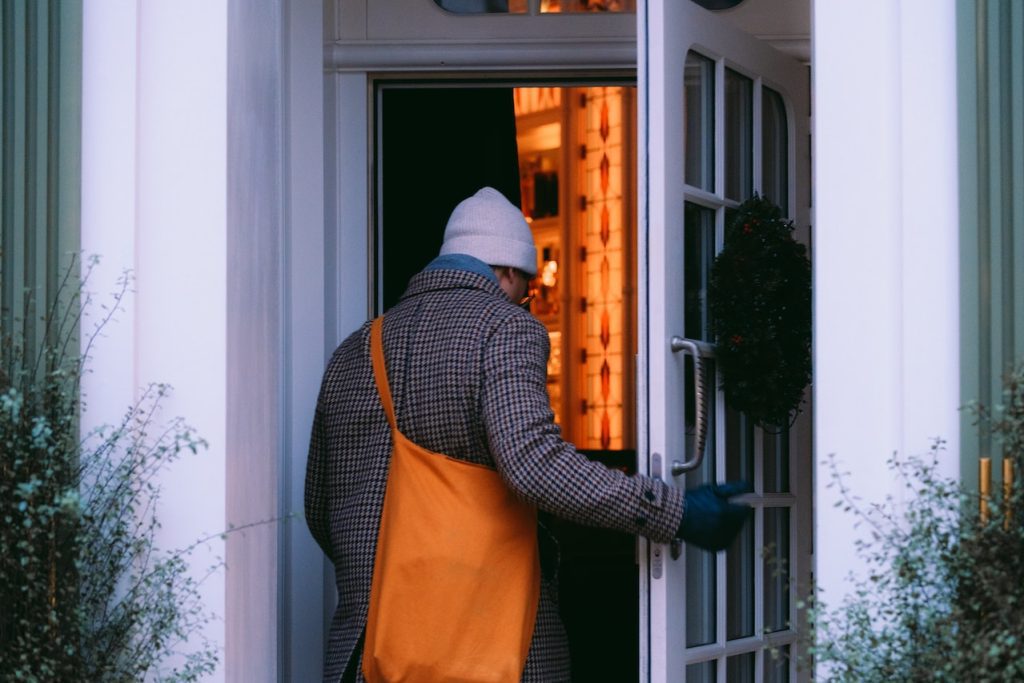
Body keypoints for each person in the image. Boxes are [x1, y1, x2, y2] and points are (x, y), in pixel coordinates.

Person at [304, 187, 751, 683]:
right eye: (529, 292)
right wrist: (676, 511)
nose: (525, 303)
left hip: (365, 652)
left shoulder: (351, 351)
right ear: (509, 272)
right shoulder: (504, 327)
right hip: (486, 648)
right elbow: (533, 464)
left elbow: (320, 507)